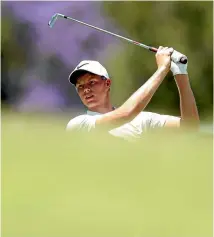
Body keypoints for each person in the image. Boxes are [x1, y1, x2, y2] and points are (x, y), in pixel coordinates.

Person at [66, 46, 200, 141]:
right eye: (80, 87)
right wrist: (162, 69)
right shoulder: (78, 124)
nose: (86, 90)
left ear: (107, 84)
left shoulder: (142, 120)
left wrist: (180, 73)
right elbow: (126, 113)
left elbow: (190, 126)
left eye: (92, 83)